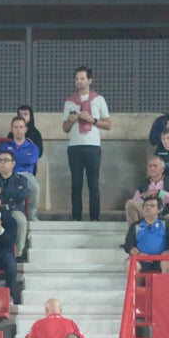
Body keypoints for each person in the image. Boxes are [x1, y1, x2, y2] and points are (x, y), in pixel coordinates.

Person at [63, 66, 111, 222]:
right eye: (77, 78)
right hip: (74, 146)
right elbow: (65, 128)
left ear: (90, 80)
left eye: (82, 78)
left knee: (93, 183)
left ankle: (94, 218)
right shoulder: (69, 101)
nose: (79, 81)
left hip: (93, 146)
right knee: (76, 184)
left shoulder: (99, 99)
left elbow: (108, 124)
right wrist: (71, 121)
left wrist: (92, 120)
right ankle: (76, 218)